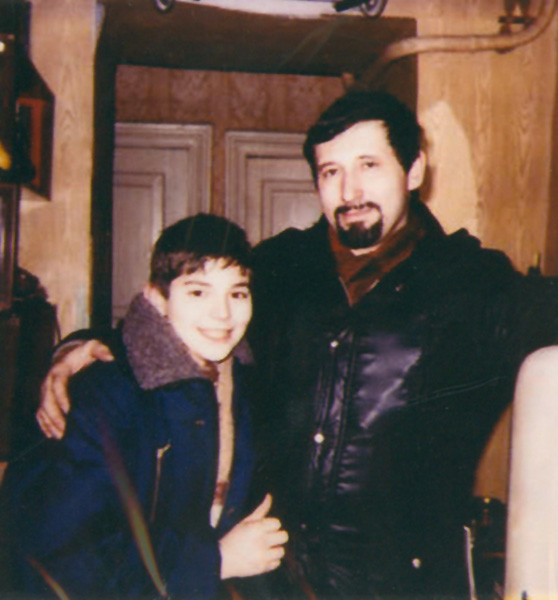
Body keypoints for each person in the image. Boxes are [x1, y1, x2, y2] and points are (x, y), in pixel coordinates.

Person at [34, 91, 558, 599]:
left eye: (369, 165)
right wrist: (81, 347)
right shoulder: (278, 267)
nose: (350, 190)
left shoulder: (476, 284)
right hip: (270, 578)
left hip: (407, 582)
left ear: (414, 170)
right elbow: (183, 323)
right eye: (331, 172)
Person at [3, 214, 288, 599]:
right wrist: (215, 561)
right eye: (198, 292)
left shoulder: (246, 380)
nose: (222, 314)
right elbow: (68, 551)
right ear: (157, 299)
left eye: (237, 293)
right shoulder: (104, 393)